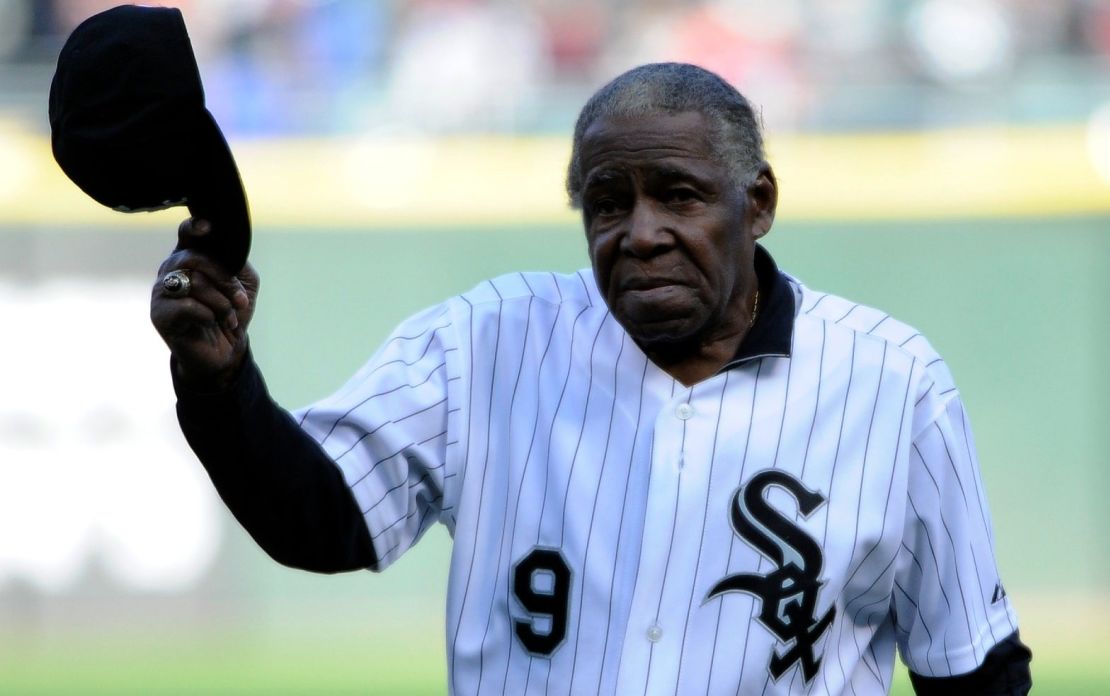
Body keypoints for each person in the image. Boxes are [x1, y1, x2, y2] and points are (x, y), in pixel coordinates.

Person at [150, 63, 1031, 695]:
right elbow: (320, 521)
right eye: (609, 201)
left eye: (678, 194)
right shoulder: (486, 341)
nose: (640, 231)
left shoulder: (892, 381)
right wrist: (218, 382)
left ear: (755, 204)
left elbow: (974, 670)